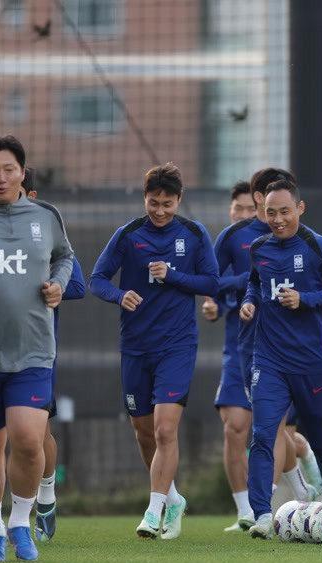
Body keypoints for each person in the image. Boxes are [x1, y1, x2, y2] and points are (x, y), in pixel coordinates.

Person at [90, 163, 219, 539]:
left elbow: (212, 281)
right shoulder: (128, 235)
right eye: (153, 203)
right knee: (144, 432)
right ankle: (173, 498)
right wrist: (119, 295)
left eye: (167, 203)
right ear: (144, 198)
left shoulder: (194, 235)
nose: (160, 211)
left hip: (177, 346)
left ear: (179, 200)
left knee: (165, 430)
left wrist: (173, 276)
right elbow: (97, 279)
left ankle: (153, 510)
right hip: (135, 346)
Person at [0, 135, 75, 562]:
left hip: (33, 351)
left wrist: (59, 284)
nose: (0, 176)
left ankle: (20, 523)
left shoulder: (46, 215)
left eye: (9, 169)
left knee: (30, 441)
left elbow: (65, 258)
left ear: (22, 173)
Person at [240, 180, 322, 537]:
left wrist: (305, 299)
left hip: (311, 362)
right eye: (270, 212)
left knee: (320, 437)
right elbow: (254, 284)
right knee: (262, 435)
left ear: (300, 209)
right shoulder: (259, 248)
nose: (277, 219)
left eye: (284, 212)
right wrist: (249, 302)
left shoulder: (316, 245)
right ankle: (261, 514)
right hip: (269, 359)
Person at [207, 170, 315, 532]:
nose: (275, 212)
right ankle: (249, 510)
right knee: (237, 427)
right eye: (264, 201)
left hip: (284, 349)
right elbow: (210, 279)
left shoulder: (304, 240)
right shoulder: (235, 238)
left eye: (282, 205)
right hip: (240, 346)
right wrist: (216, 304)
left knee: (272, 428)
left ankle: (273, 502)